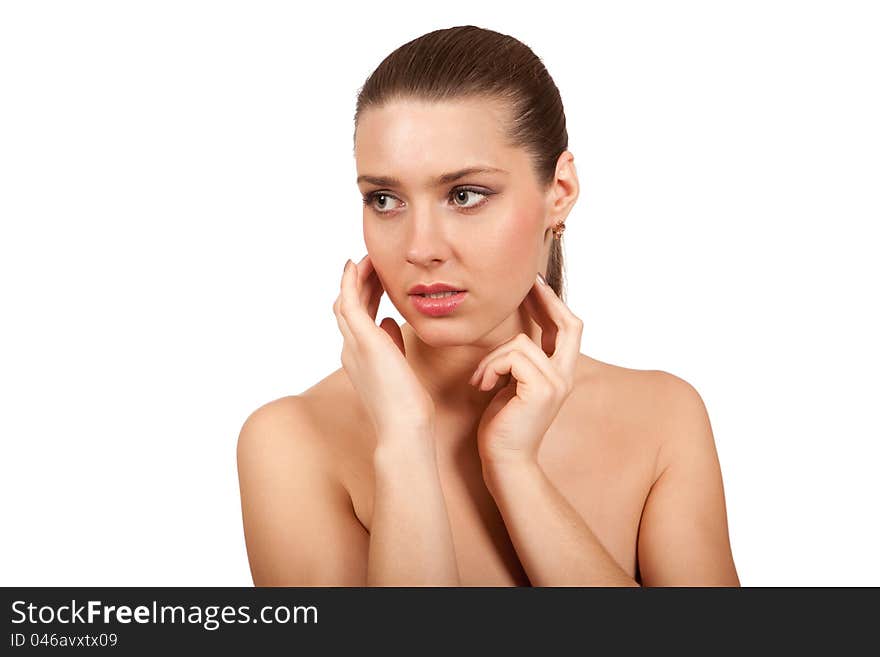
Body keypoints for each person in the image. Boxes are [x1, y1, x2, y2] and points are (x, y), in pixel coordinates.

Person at [236, 25, 740, 587]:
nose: (421, 248)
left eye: (465, 195)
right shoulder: (291, 441)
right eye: (385, 199)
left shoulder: (662, 419)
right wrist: (404, 442)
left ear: (561, 191)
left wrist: (517, 472)